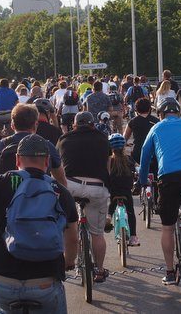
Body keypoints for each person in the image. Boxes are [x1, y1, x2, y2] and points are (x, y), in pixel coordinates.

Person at [0, 134, 78, 314]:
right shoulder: (60, 191)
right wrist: (68, 262)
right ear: (47, 161)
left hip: (3, 281)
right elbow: (72, 238)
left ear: (17, 160)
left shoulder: (0, 182)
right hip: (44, 283)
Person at [137, 98, 181, 285]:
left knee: (167, 227)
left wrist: (142, 181)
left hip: (169, 177)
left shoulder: (156, 128)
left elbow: (145, 157)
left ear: (160, 114)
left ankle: (169, 271)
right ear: (178, 113)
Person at [57, 112, 111, 283]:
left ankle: (69, 257)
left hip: (71, 186)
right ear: (92, 124)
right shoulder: (102, 138)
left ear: (74, 125)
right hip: (96, 187)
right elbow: (108, 166)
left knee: (67, 225)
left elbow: (59, 167)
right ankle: (100, 270)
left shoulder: (64, 139)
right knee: (97, 233)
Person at [0, 104, 66, 187]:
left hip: (6, 197)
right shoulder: (46, 145)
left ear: (12, 125)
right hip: (38, 196)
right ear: (36, 125)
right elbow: (61, 179)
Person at [106, 134, 140, 247]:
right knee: (130, 212)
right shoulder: (129, 159)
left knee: (111, 205)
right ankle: (133, 237)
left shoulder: (109, 161)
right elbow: (137, 170)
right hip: (126, 191)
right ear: (124, 146)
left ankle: (108, 217)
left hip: (113, 191)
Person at [124, 98, 159, 168]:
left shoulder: (133, 121)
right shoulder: (156, 121)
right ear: (149, 109)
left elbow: (124, 138)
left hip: (137, 153)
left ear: (136, 109)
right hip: (154, 153)